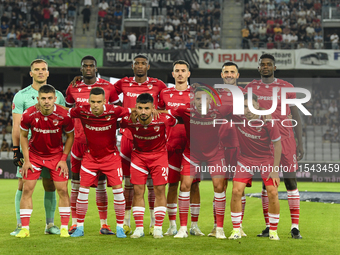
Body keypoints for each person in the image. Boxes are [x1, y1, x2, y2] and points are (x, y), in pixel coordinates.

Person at [245, 53, 303, 239]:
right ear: (259, 67)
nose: (266, 66)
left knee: (290, 181)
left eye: (269, 64)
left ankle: (295, 227)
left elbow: (297, 115)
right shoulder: (251, 87)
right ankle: (269, 226)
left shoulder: (287, 87)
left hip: (286, 139)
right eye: (262, 64)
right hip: (264, 141)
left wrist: (300, 142)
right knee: (266, 184)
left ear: (274, 67)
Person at [112, 54, 167, 235]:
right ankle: (127, 222)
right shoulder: (123, 83)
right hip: (129, 136)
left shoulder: (158, 84)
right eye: (137, 64)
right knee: (131, 183)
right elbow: (108, 96)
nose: (140, 66)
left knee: (154, 184)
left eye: (143, 63)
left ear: (148, 66)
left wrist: (159, 110)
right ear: (132, 66)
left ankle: (153, 223)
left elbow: (166, 104)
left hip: (150, 135)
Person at [65, 55, 120, 235]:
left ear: (96, 68)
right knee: (75, 184)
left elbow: (117, 112)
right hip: (78, 143)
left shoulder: (108, 87)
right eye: (85, 66)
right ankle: (75, 223)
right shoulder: (73, 87)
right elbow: (68, 113)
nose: (88, 68)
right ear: (81, 68)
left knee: (101, 185)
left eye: (91, 66)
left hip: (100, 145)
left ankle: (104, 224)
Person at [168, 88, 232, 239]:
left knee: (219, 187)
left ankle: (220, 229)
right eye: (197, 99)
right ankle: (183, 228)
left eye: (204, 99)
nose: (201, 102)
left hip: (215, 153)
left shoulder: (220, 111)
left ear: (210, 101)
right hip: (192, 154)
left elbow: (241, 111)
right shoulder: (185, 110)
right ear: (193, 100)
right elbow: (166, 114)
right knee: (184, 186)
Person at [11, 59, 66, 236]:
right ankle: (20, 226)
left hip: (52, 151)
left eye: (44, 69)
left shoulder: (58, 95)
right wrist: (15, 150)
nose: (41, 72)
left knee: (50, 185)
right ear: (31, 73)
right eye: (37, 69)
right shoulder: (21, 96)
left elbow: (63, 124)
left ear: (48, 73)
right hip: (30, 151)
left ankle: (50, 225)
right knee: (22, 185)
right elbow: (16, 126)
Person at [68, 87, 130, 238]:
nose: (95, 105)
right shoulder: (82, 110)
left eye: (98, 102)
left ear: (104, 101)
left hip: (111, 158)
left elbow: (133, 111)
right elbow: (64, 111)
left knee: (118, 192)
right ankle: (80, 227)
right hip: (90, 158)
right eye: (92, 102)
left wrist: (157, 112)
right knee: (82, 191)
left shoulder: (114, 110)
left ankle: (120, 227)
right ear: (89, 101)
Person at [15, 84, 74, 238]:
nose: (46, 101)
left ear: (55, 99)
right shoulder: (28, 114)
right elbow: (22, 135)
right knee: (27, 189)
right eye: (43, 98)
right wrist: (26, 160)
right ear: (38, 99)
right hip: (34, 155)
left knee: (62, 190)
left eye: (49, 98)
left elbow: (70, 137)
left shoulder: (64, 115)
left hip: (55, 157)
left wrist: (63, 159)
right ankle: (25, 229)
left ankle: (63, 228)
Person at [120, 93, 177, 238]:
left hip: (159, 157)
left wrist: (162, 111)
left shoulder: (163, 119)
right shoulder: (129, 120)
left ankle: (157, 227)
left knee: (159, 190)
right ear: (136, 108)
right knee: (138, 191)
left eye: (147, 108)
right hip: (139, 157)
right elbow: (117, 118)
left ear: (153, 108)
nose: (143, 112)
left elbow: (177, 115)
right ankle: (139, 228)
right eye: (140, 108)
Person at [158, 60, 203, 237]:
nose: (180, 73)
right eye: (177, 70)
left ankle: (194, 225)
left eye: (183, 70)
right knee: (172, 185)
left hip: (192, 145)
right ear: (173, 73)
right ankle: (172, 226)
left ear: (188, 74)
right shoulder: (165, 93)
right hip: (171, 145)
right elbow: (160, 116)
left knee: (194, 185)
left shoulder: (196, 93)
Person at [228, 93, 281, 240]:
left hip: (266, 160)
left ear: (257, 106)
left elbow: (277, 145)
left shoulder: (268, 120)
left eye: (251, 106)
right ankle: (236, 230)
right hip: (245, 160)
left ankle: (273, 231)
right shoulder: (238, 117)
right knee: (236, 191)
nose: (248, 110)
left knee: (273, 192)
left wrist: (275, 169)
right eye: (245, 107)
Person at [208, 62, 247, 237]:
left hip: (242, 146)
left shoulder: (246, 95)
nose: (229, 74)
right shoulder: (213, 95)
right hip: (219, 146)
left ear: (238, 75)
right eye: (226, 72)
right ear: (221, 75)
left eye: (232, 72)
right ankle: (218, 226)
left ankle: (239, 226)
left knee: (240, 188)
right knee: (219, 187)